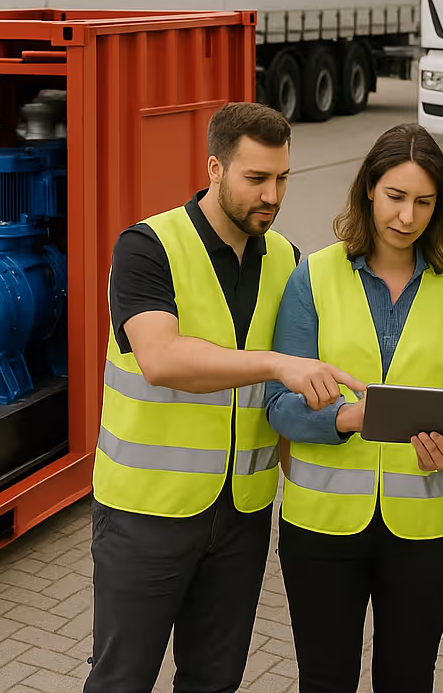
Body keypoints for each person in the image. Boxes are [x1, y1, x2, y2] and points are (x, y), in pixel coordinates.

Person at [87, 102, 367, 693]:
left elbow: (287, 398)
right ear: (214, 168)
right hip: (147, 511)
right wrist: (277, 363)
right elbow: (161, 360)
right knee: (122, 680)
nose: (272, 195)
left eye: (283, 178)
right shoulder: (147, 247)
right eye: (256, 178)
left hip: (243, 513)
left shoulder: (286, 259)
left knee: (216, 680)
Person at [264, 122, 443, 693]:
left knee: (408, 680)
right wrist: (346, 418)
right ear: (368, 188)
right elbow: (278, 406)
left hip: (426, 530)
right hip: (322, 526)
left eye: (423, 202)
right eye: (395, 196)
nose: (407, 217)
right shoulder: (313, 277)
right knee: (325, 679)